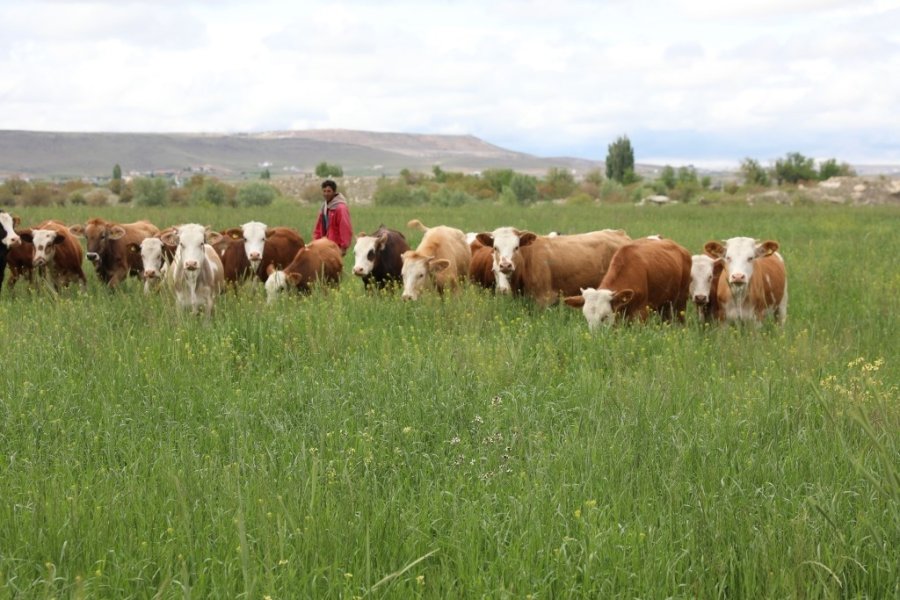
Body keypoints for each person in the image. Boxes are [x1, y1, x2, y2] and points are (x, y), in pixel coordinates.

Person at [312, 179, 353, 255]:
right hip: (324, 245)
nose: (326, 194)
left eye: (329, 191)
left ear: (334, 192)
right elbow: (318, 228)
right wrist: (315, 243)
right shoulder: (324, 207)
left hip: (335, 246)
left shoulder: (341, 208)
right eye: (324, 191)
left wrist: (343, 247)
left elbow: (345, 227)